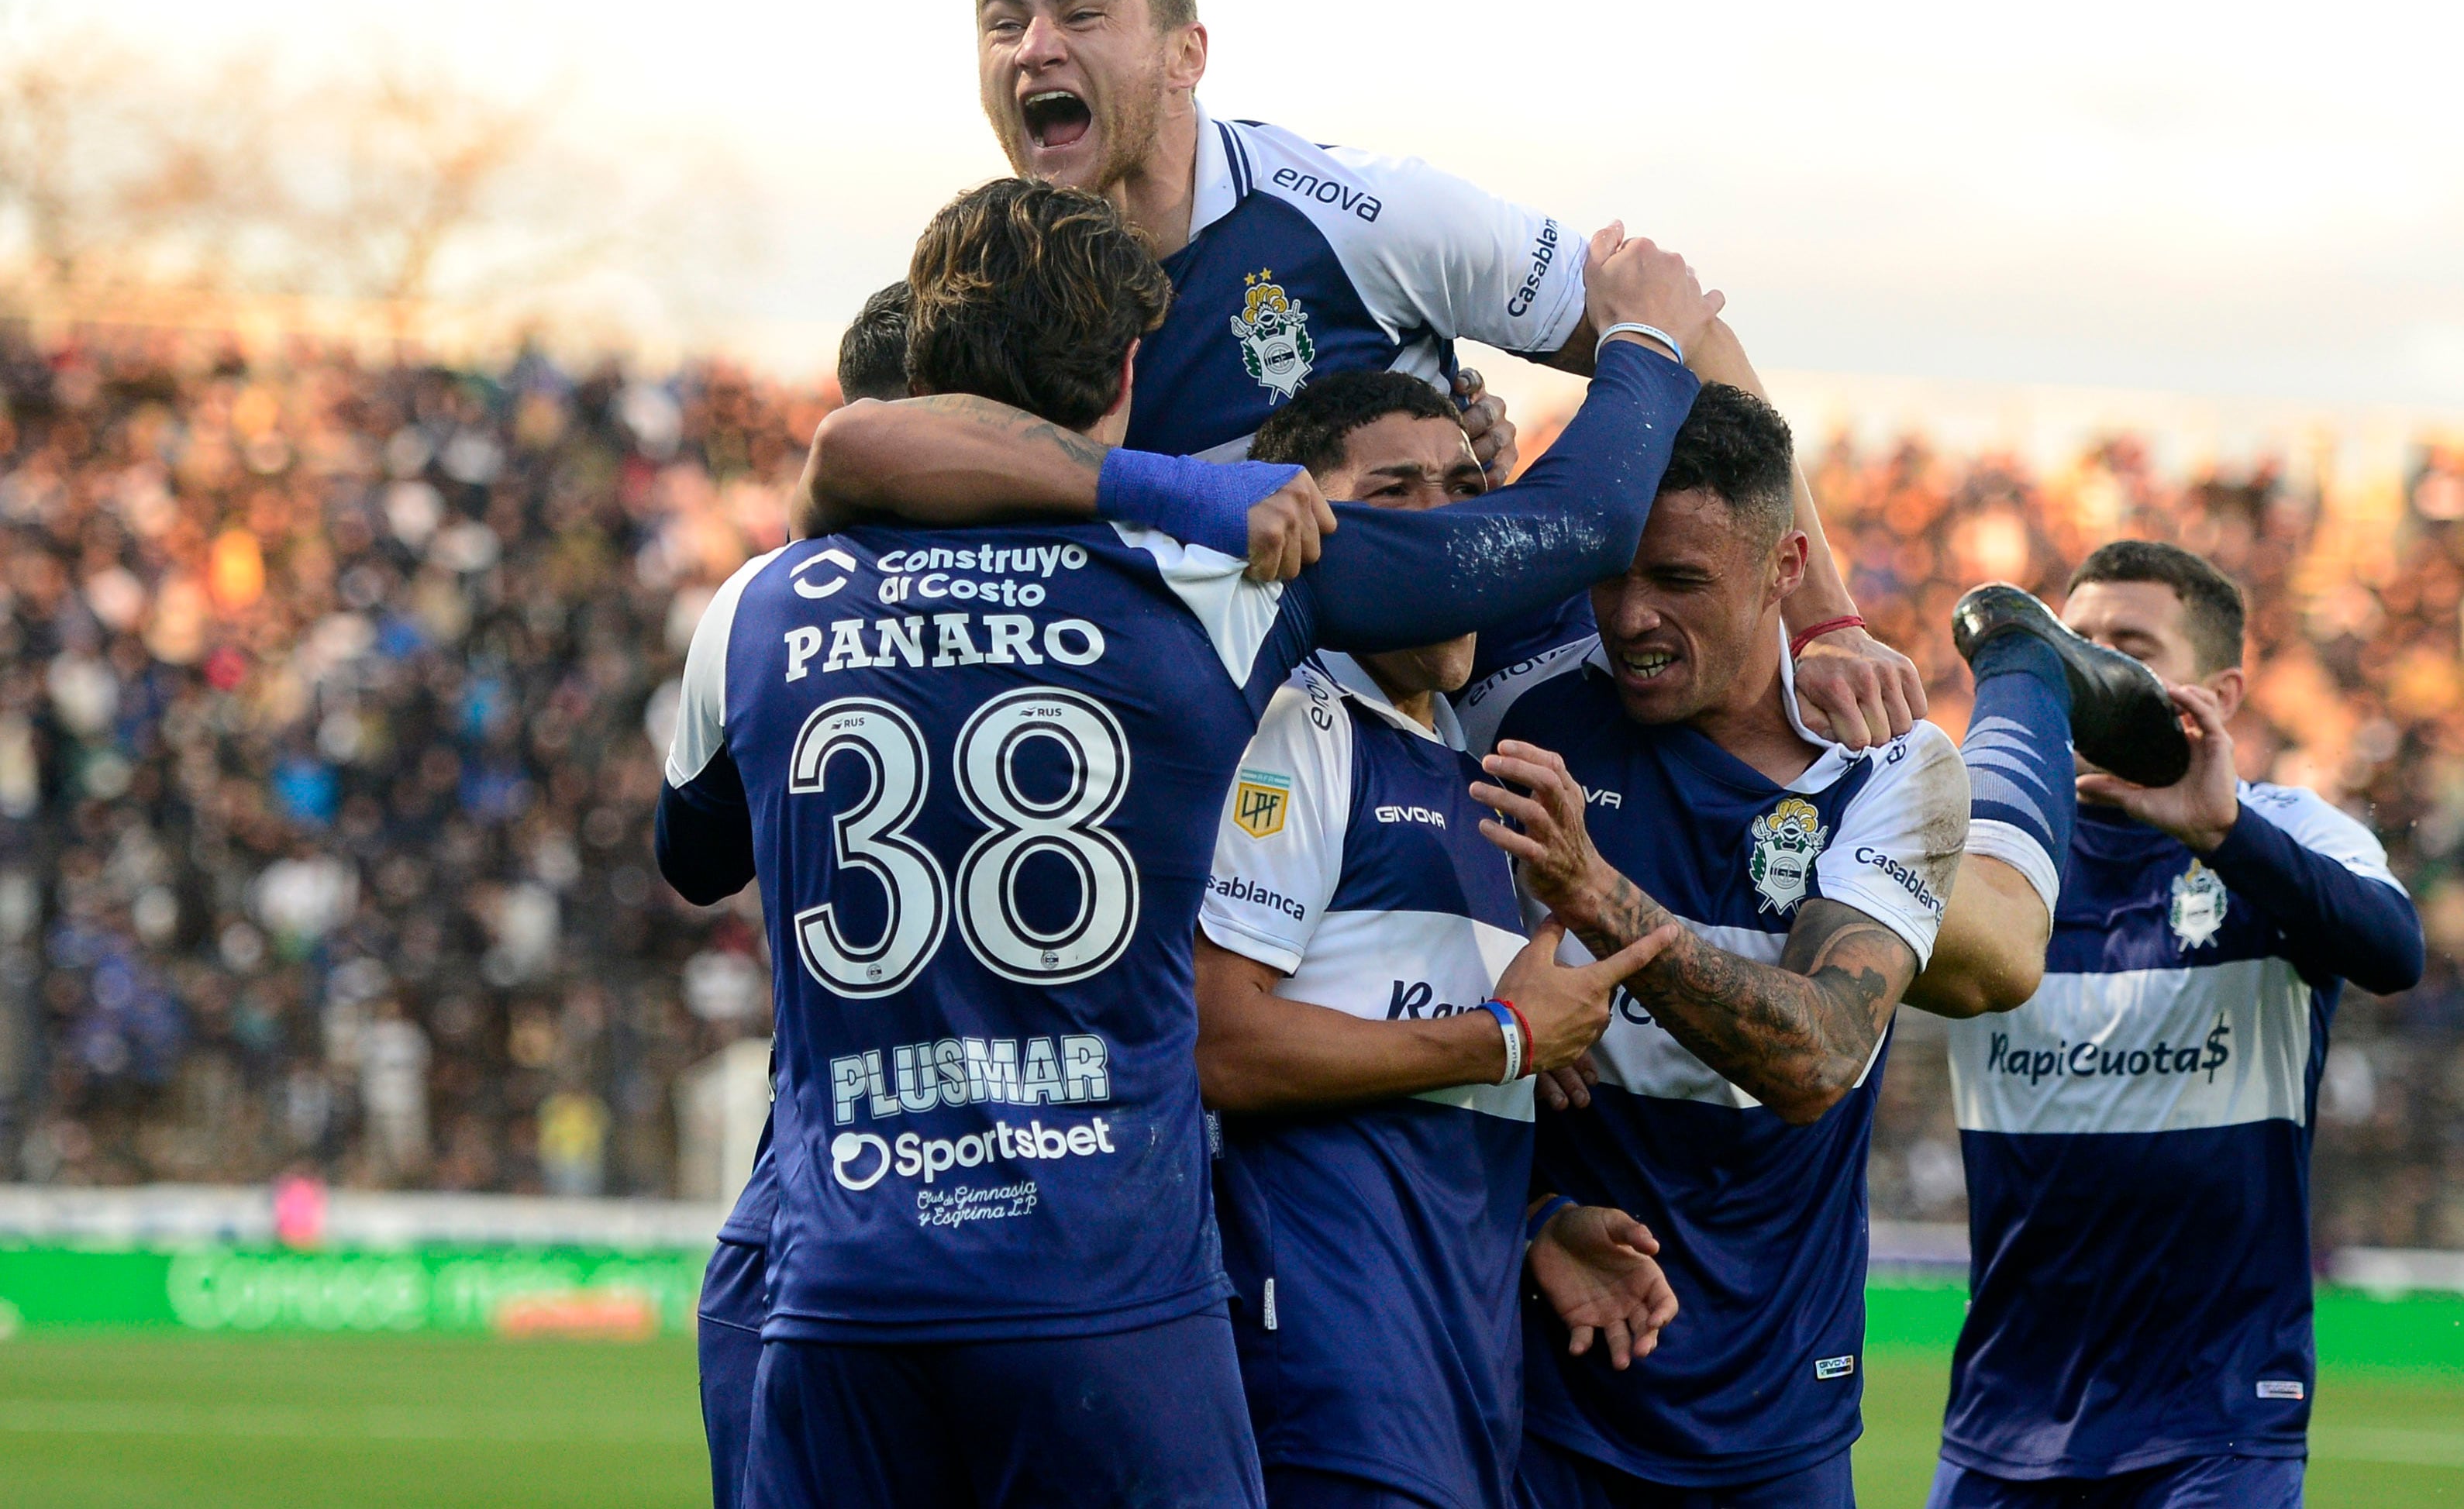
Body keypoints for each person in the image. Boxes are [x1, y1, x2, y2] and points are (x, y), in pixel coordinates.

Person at [657, 178, 1720, 1509]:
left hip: (841, 1285)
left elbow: (694, 855)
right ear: (1126, 375)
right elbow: (1567, 529)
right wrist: (1642, 340)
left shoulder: (756, 604)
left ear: (923, 370)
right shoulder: (1211, 586)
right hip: (1102, 1294)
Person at [789, 0, 1931, 753]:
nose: (1035, 46)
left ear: (1186, 53)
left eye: (1081, 13)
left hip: (1478, 703)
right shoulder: (983, 296)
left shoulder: (1356, 213)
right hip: (1225, 763)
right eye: (1003, 23)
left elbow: (1681, 331)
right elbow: (861, 462)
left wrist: (1823, 622)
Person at [1453, 386, 1971, 1507]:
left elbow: (1818, 1056)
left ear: (1785, 567)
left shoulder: (1888, 769)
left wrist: (1592, 893)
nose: (1631, 614)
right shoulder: (1513, 709)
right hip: (1539, 1391)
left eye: (1678, 580)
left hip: (1772, 1409)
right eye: (1612, 573)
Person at [1193, 370, 1680, 1509]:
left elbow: (1393, 1051)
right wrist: (1505, 1036)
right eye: (1393, 491)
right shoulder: (1297, 725)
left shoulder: (1459, 755)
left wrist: (1534, 1219)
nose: (1443, 523)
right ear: (1307, 525)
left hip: (1455, 1371)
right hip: (1331, 1377)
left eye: (1463, 488)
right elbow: (1219, 1043)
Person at [1926, 543, 2425, 1509]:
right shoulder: (1982, 859)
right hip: (2004, 1420)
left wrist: (2222, 832)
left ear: (2219, 693)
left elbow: (2392, 951)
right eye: (2068, 643)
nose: (2083, 672)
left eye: (2127, 646)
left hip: (2216, 1422)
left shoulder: (2287, 828)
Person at [689, 278, 915, 1509]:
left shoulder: (758, 599)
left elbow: (692, 856)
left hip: (823, 1190)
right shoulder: (1119, 588)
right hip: (1075, 1215)